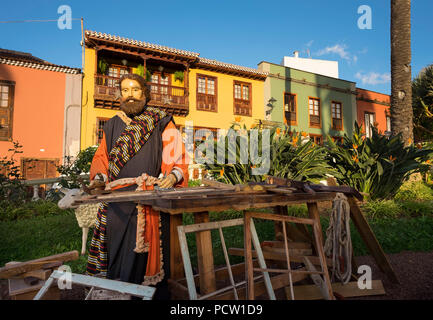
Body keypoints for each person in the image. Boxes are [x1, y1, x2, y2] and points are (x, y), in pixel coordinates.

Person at [86, 73, 189, 299]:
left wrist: (172, 176)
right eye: (125, 90)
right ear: (120, 95)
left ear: (145, 93)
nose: (129, 95)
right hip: (117, 203)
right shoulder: (112, 125)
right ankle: (119, 293)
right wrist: (100, 179)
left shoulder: (162, 120)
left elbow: (177, 154)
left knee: (151, 256)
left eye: (135, 89)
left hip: (150, 200)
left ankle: (152, 295)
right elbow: (102, 159)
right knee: (118, 254)